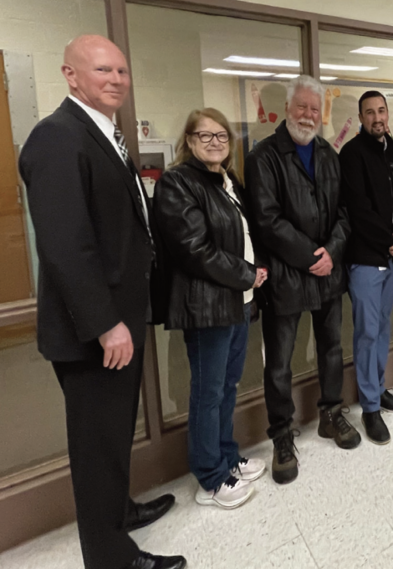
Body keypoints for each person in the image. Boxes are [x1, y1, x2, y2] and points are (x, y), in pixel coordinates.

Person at [18, 35, 184, 569]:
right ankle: (112, 558)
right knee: (96, 447)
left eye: (121, 71)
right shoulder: (56, 139)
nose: (115, 79)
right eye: (102, 70)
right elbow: (66, 247)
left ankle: (118, 512)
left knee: (113, 437)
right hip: (93, 330)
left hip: (118, 321)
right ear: (70, 75)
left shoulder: (103, 133)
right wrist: (106, 324)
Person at [244, 75, 358, 485]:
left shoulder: (329, 153)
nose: (308, 116)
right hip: (287, 278)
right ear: (287, 109)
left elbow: (346, 213)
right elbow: (267, 221)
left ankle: (331, 414)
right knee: (279, 364)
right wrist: (312, 257)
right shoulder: (263, 157)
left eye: (315, 109)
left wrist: (332, 252)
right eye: (302, 107)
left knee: (331, 349)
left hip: (328, 274)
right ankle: (281, 435)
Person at [154, 108, 269, 508]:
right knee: (208, 391)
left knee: (227, 387)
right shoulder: (177, 183)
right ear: (188, 141)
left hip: (238, 302)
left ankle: (226, 456)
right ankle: (210, 478)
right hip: (207, 306)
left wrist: (252, 276)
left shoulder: (226, 180)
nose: (215, 142)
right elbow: (195, 251)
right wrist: (246, 274)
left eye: (222, 136)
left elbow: (242, 233)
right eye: (205, 136)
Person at [339, 91, 393, 445]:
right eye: (370, 113)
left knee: (382, 328)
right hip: (366, 260)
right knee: (367, 332)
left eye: (382, 111)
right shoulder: (351, 155)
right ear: (361, 117)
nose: (377, 118)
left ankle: (378, 389)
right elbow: (359, 210)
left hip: (392, 258)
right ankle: (369, 407)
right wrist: (392, 241)